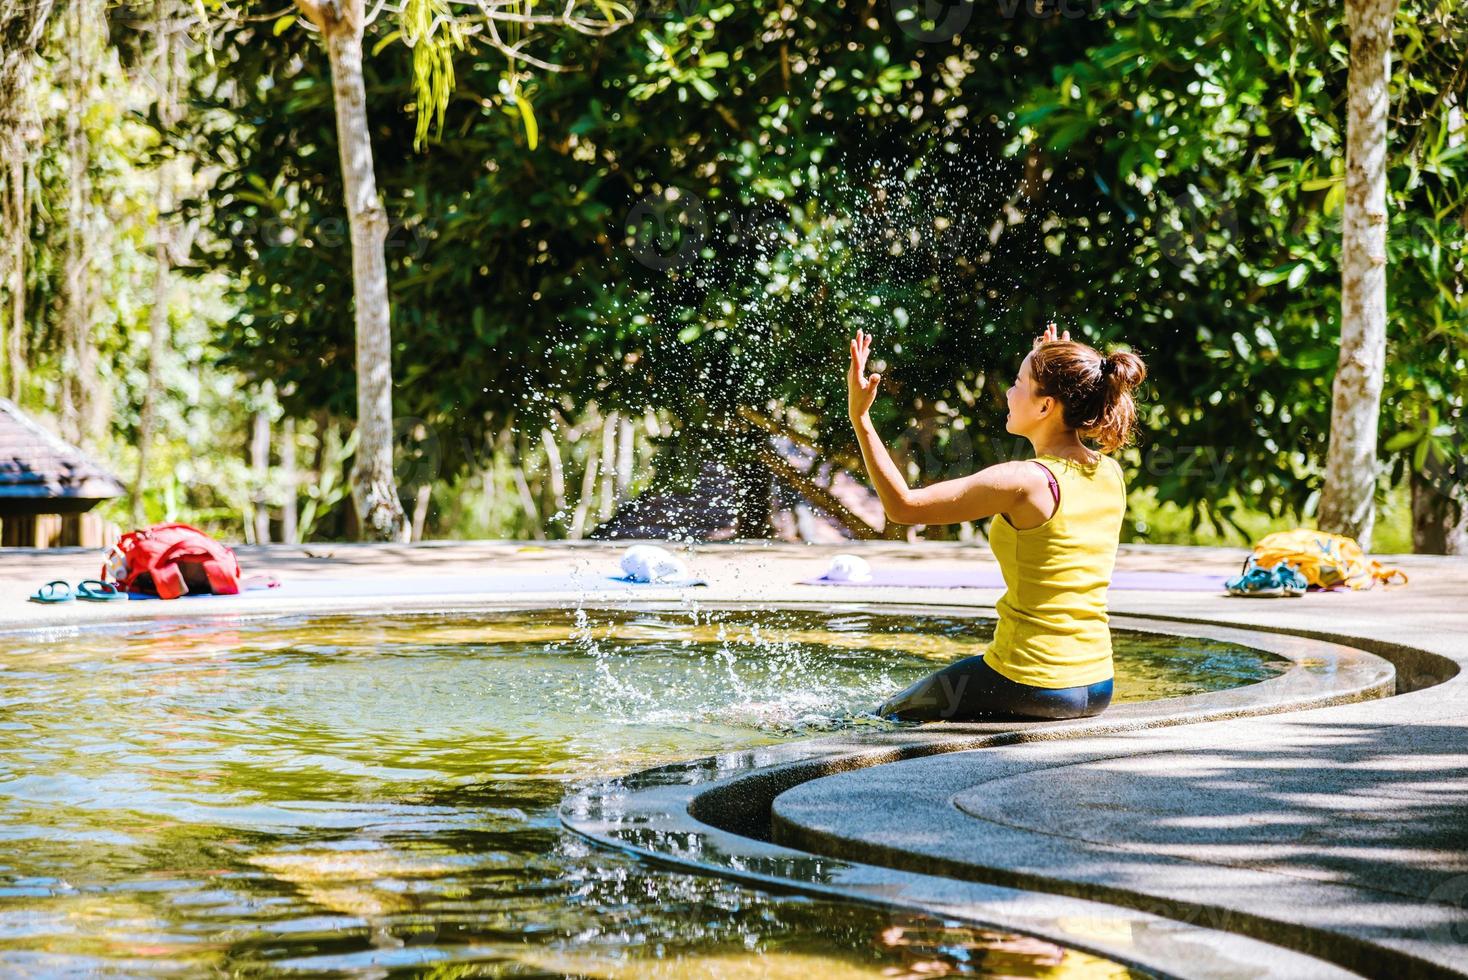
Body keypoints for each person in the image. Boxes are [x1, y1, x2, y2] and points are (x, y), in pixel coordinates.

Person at [846, 323, 1147, 721]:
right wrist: (1052, 363)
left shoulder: (1023, 480)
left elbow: (903, 507)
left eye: (1020, 383)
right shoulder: (1109, 472)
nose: (1009, 392)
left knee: (885, 715)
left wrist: (861, 418)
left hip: (1032, 680)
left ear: (1046, 406)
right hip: (1097, 682)